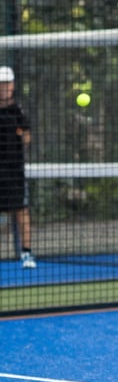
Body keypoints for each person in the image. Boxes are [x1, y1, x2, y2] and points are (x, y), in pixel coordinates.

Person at [0, 66, 36, 268]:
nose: (3, 88)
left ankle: (27, 254)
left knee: (22, 211)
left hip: (14, 171)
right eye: (0, 84)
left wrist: (22, 135)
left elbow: (28, 138)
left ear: (12, 85)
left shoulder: (18, 111)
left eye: (6, 83)